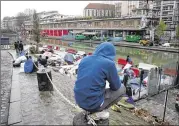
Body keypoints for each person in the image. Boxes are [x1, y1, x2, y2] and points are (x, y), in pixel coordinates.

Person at [74, 42, 126, 120]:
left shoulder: (85, 59)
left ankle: (94, 107)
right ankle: (98, 111)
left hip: (78, 100)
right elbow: (116, 87)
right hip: (92, 104)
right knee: (122, 88)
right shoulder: (109, 63)